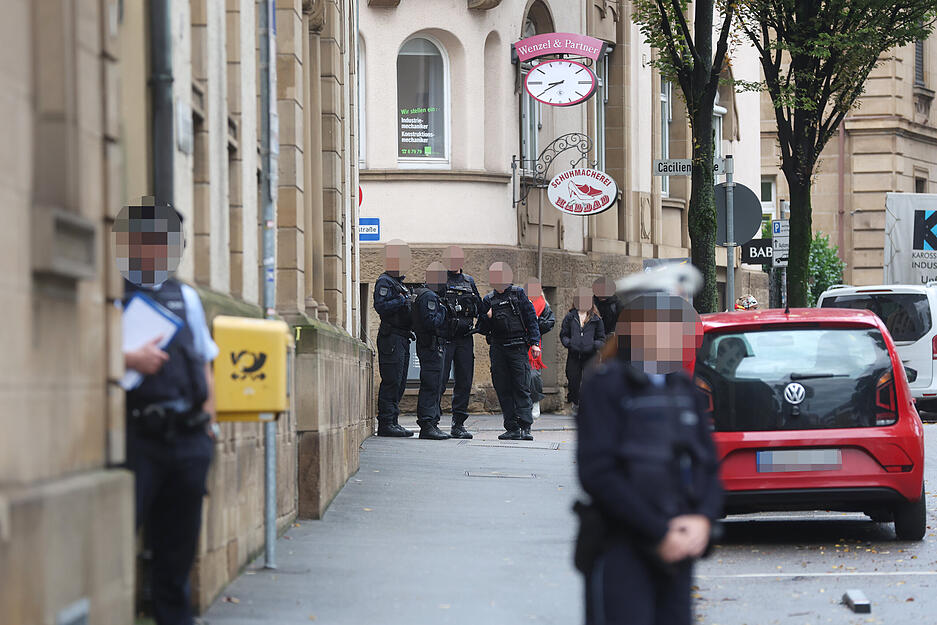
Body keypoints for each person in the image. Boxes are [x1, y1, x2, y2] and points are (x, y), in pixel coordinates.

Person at [575, 274, 723, 625]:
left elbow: (707, 464)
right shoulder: (606, 386)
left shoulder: (682, 388)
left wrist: (702, 517)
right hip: (624, 547)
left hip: (679, 548)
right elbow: (598, 473)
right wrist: (659, 532)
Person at [116, 202, 218, 625]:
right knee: (120, 540)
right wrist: (127, 359)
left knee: (178, 549)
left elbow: (204, 361)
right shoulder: (112, 291)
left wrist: (210, 425)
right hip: (138, 436)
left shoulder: (186, 296)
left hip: (188, 437)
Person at [477, 262, 541, 441]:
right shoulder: (488, 299)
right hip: (498, 349)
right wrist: (486, 317)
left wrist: (535, 343)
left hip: (518, 347)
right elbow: (481, 328)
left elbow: (531, 319)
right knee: (503, 388)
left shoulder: (518, 294)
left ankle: (526, 427)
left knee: (521, 387)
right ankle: (512, 427)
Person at [438, 246, 483, 439]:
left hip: (465, 337)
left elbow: (480, 307)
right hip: (446, 336)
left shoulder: (469, 281)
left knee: (464, 380)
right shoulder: (438, 279)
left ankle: (458, 424)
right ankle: (432, 421)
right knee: (439, 380)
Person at [373, 240, 416, 437]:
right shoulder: (385, 282)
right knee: (391, 380)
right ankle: (386, 423)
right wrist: (401, 300)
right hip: (391, 337)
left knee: (399, 381)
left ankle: (394, 421)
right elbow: (381, 306)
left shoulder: (399, 283)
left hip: (402, 337)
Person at [411, 262, 452, 440]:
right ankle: (428, 424)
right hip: (432, 345)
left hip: (428, 344)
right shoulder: (429, 296)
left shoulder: (421, 293)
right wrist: (444, 311)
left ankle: (431, 422)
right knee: (432, 385)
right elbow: (432, 322)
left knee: (432, 384)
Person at [560, 287, 607, 414]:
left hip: (590, 355)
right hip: (574, 354)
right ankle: (575, 402)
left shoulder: (596, 319)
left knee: (590, 382)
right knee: (573, 380)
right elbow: (564, 334)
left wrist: (593, 345)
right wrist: (569, 343)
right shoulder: (570, 317)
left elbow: (601, 338)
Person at [526, 278, 556, 419]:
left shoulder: (543, 305)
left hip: (534, 344)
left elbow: (550, 322)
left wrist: (536, 324)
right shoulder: (521, 302)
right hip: (518, 342)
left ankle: (535, 400)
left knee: (533, 375)